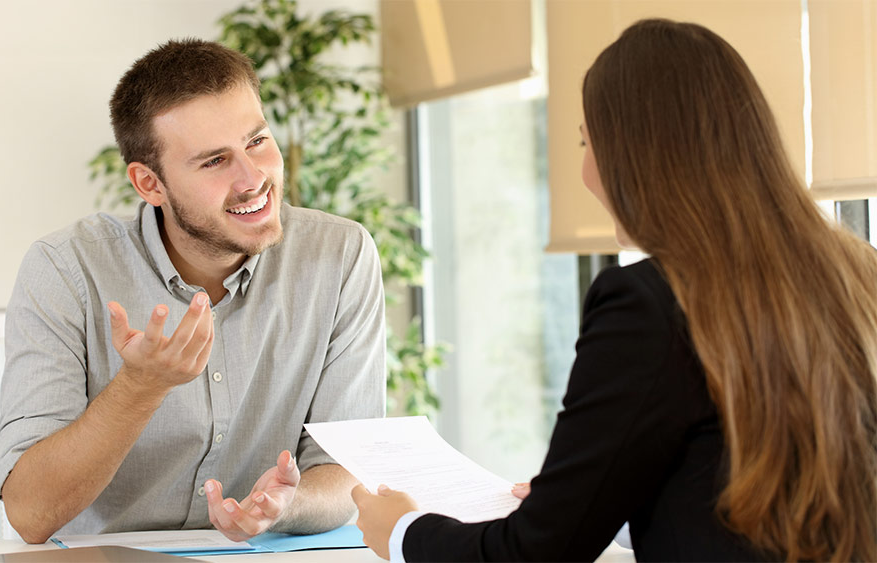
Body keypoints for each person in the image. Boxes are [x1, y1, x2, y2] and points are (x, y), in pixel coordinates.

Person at [353, 18, 877, 562]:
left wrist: (403, 530)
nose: (584, 170)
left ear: (636, 152)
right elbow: (755, 496)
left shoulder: (649, 303)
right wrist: (601, 497)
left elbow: (533, 554)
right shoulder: (858, 276)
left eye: (588, 142)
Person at [0, 39, 386, 544]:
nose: (253, 179)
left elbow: (343, 471)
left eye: (258, 141)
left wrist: (286, 507)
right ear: (149, 184)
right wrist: (140, 387)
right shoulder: (65, 270)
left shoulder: (340, 256)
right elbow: (31, 512)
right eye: (215, 161)